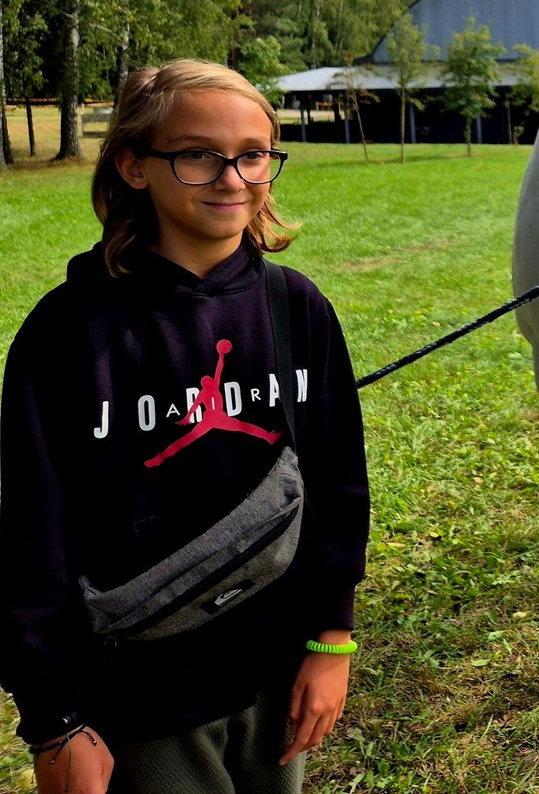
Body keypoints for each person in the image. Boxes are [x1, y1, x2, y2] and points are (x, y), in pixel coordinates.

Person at [1, 60, 370, 794]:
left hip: (276, 678)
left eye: (255, 153)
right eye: (198, 153)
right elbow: (31, 536)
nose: (232, 177)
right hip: (141, 701)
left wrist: (331, 639)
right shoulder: (69, 335)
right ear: (135, 166)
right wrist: (55, 722)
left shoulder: (296, 309)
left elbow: (338, 489)